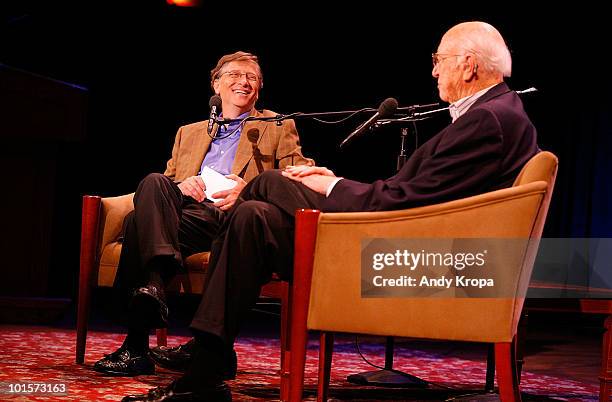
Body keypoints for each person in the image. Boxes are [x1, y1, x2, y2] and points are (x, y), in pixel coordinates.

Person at [121, 21, 539, 402]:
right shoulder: (495, 115)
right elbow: (410, 194)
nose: (434, 72)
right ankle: (206, 370)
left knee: (266, 184)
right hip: (395, 227)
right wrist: (331, 181)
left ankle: (195, 347)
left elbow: (403, 202)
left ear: (467, 65)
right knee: (251, 218)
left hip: (394, 246)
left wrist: (332, 186)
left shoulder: (487, 120)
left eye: (439, 60)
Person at [93, 51, 313, 377]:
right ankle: (151, 292)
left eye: (252, 77)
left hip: (234, 216)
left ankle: (135, 344)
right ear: (217, 84)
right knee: (151, 187)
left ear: (259, 89)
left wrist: (250, 189)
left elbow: (302, 176)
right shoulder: (189, 132)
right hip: (188, 214)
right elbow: (163, 188)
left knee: (137, 223)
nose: (244, 82)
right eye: (235, 75)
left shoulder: (277, 126)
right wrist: (181, 187)